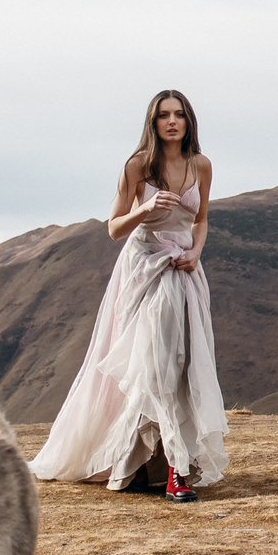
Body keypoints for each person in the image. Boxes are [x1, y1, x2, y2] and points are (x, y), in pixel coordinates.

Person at [30, 90, 227, 500]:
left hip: (185, 268)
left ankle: (139, 464)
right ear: (152, 122)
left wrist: (195, 251)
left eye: (179, 115)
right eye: (162, 116)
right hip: (144, 266)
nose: (171, 122)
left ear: (189, 121)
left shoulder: (201, 165)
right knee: (154, 364)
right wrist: (145, 208)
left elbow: (201, 219)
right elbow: (115, 227)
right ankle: (174, 470)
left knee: (183, 361)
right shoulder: (138, 165)